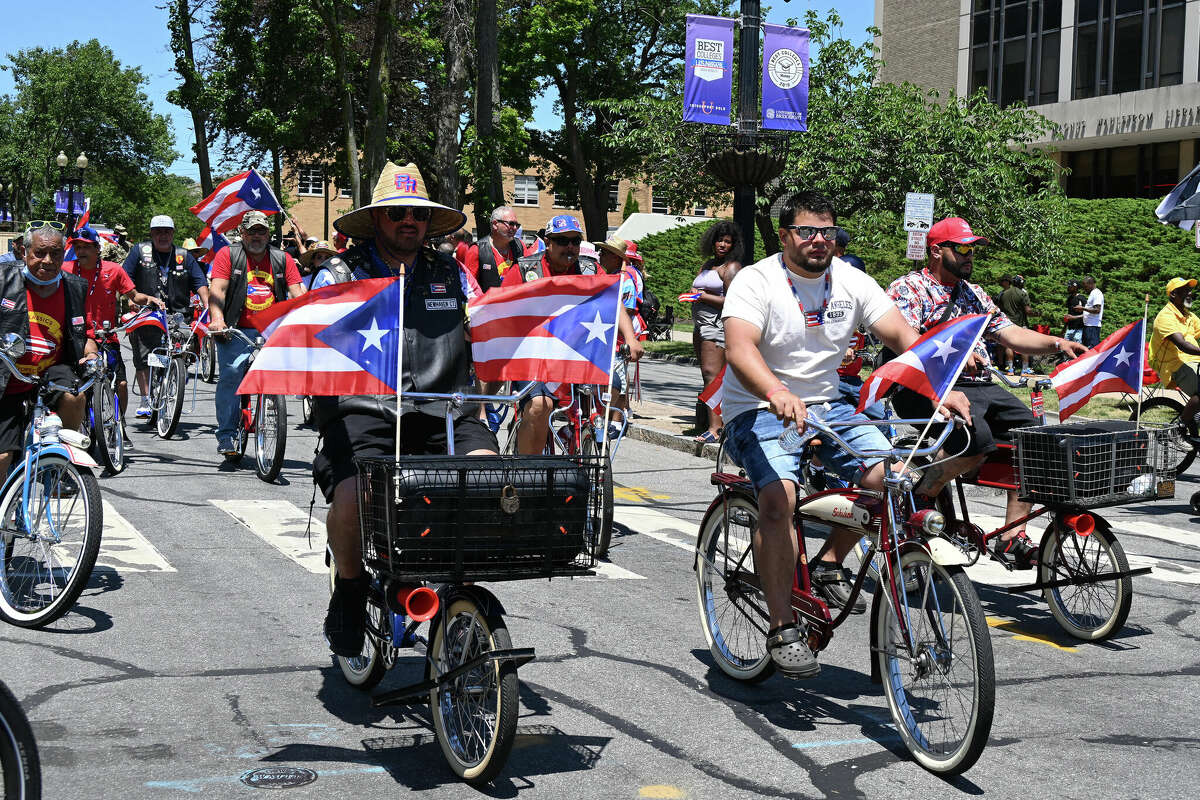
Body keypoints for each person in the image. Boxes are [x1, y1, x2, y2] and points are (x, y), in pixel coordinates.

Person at [720, 192, 972, 678]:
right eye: (807, 231)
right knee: (779, 499)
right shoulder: (756, 281)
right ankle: (781, 626)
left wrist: (943, 388)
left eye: (827, 232)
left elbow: (905, 339)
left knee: (891, 477)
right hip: (757, 405)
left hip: (830, 405)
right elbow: (739, 349)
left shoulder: (853, 281)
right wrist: (775, 391)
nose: (819, 241)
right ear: (784, 235)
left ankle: (829, 559)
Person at [315, 161, 498, 657]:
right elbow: (307, 340)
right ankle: (350, 592)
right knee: (353, 495)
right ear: (377, 220)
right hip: (363, 412)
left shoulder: (453, 272)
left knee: (491, 480)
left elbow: (488, 324)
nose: (407, 222)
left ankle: (459, 593)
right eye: (396, 213)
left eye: (416, 214)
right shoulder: (338, 273)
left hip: (447, 410)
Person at [886, 216, 1087, 569]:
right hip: (927, 386)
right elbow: (905, 342)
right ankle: (922, 497)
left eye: (973, 249)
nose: (970, 255)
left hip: (980, 386)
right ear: (936, 251)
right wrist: (956, 356)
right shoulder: (908, 289)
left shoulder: (974, 293)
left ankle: (1013, 537)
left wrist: (1059, 343)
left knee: (1036, 439)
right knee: (974, 441)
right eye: (962, 248)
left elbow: (1011, 333)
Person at [506, 215, 642, 455]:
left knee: (613, 387)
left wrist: (630, 339)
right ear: (548, 242)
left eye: (575, 241)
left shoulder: (590, 269)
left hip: (578, 356)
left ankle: (579, 433)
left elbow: (614, 300)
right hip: (536, 357)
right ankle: (528, 472)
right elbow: (502, 308)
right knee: (539, 406)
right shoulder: (526, 269)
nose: (570, 247)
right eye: (562, 241)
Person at [0, 222, 98, 476]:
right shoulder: (3, 278)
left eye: (55, 253)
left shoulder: (74, 286)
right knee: (2, 457)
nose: (48, 260)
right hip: (7, 379)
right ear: (24, 252)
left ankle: (59, 464)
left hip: (50, 375)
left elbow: (83, 334)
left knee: (74, 396)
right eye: (39, 253)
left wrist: (92, 353)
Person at [207, 210, 306, 457]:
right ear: (242, 233)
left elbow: (298, 293)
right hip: (236, 328)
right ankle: (227, 434)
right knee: (230, 374)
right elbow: (217, 290)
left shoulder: (282, 259)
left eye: (261, 230)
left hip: (273, 330)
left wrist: (309, 320)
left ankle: (270, 407)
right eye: (251, 231)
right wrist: (217, 319)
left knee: (274, 376)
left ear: (268, 233)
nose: (256, 236)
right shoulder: (228, 255)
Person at [62, 227, 164, 443]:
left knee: (122, 384)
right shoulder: (65, 269)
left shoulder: (113, 269)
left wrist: (150, 300)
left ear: (97, 249)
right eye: (77, 247)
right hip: (77, 337)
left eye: (86, 247)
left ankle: (118, 423)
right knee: (78, 386)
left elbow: (134, 295)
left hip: (106, 336)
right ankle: (81, 425)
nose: (81, 251)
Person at [121, 215, 210, 418]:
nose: (163, 235)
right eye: (158, 231)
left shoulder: (184, 256)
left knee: (186, 346)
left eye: (167, 231)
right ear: (151, 233)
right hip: (147, 312)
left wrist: (207, 304)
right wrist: (132, 299)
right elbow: (126, 279)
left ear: (173, 233)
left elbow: (200, 283)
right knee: (144, 356)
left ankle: (176, 373)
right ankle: (145, 399)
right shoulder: (139, 251)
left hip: (178, 314)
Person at [690, 220, 743, 443]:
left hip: (716, 325)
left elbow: (733, 301)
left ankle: (715, 428)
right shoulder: (708, 265)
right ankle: (711, 424)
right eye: (719, 240)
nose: (722, 244)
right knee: (707, 374)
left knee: (713, 374)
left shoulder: (730, 268)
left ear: (733, 245)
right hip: (701, 324)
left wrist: (701, 296)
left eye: (727, 241)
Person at [595, 236, 647, 414]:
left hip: (617, 340)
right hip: (600, 336)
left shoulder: (625, 281)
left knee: (618, 383)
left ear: (615, 257)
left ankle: (616, 424)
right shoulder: (603, 277)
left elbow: (628, 310)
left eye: (604, 253)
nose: (600, 256)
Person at [1149, 277, 1200, 441]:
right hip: (1175, 365)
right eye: (1185, 290)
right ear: (1173, 294)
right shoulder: (1165, 317)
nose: (1190, 293)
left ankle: (1195, 418)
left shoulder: (1188, 315)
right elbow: (1182, 345)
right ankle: (1177, 429)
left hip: (1193, 361)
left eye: (1189, 289)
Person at [463, 206, 524, 293]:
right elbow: (469, 288)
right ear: (495, 224)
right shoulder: (476, 250)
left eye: (517, 225)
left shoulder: (520, 246)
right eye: (511, 224)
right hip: (489, 304)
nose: (515, 228)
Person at [997, 274, 1034, 374]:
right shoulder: (1022, 293)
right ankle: (1025, 370)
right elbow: (1027, 310)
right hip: (1020, 323)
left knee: (1009, 345)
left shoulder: (1004, 293)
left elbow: (999, 308)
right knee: (1023, 345)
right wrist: (1037, 313)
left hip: (1008, 323)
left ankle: (1010, 369)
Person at [1082, 274, 1104, 347]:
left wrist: (1082, 308)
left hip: (1092, 327)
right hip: (1088, 326)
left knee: (1091, 349)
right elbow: (1088, 313)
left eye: (1085, 286)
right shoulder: (1092, 293)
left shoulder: (1096, 293)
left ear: (1091, 284)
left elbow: (1097, 310)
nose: (1084, 289)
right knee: (1086, 349)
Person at [1064, 279, 1085, 344]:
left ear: (1075, 287)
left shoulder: (1081, 298)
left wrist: (1074, 317)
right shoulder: (1069, 298)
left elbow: (1087, 314)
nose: (1068, 288)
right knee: (1065, 347)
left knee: (1077, 348)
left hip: (1079, 329)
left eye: (1069, 286)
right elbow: (1069, 314)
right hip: (1070, 329)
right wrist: (1064, 328)